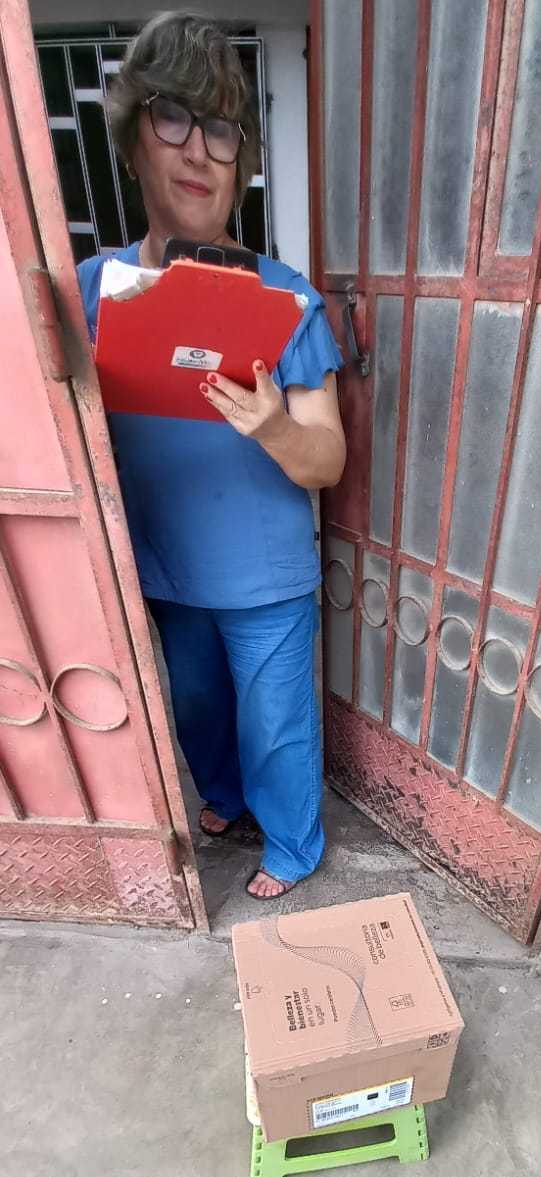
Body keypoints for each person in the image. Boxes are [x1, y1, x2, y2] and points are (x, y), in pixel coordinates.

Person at [76, 10, 345, 899]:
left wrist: (272, 425)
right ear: (133, 141)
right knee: (194, 710)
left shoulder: (285, 299)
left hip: (265, 575)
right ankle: (225, 798)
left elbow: (325, 461)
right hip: (161, 566)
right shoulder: (93, 291)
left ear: (242, 161)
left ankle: (294, 845)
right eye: (173, 118)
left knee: (276, 724)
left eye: (222, 130)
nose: (198, 150)